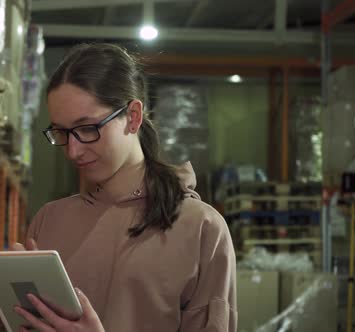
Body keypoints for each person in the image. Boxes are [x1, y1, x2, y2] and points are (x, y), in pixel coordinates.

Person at [12, 43, 237, 332]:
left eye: (87, 129)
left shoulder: (202, 228)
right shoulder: (49, 220)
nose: (73, 151)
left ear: (133, 116)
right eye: (62, 132)